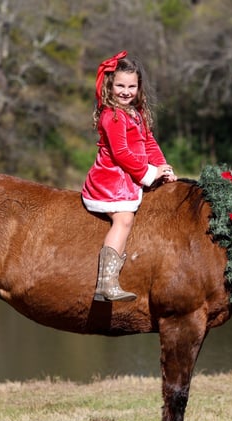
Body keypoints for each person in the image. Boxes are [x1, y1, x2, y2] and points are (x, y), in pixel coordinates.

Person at [82, 50, 176, 302]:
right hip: (111, 179)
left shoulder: (136, 112)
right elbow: (121, 153)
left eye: (131, 86)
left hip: (131, 176)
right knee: (124, 219)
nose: (125, 91)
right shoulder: (112, 116)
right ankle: (106, 282)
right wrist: (149, 173)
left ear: (139, 87)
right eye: (120, 86)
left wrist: (163, 167)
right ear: (110, 86)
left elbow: (149, 143)